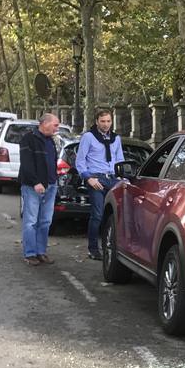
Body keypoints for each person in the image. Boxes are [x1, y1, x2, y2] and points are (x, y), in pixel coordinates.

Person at [75, 108, 126, 260]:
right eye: (102, 121)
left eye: (108, 121)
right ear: (97, 121)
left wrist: (122, 178)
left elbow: (119, 160)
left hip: (112, 179)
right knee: (97, 214)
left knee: (116, 215)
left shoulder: (116, 139)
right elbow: (80, 161)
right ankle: (93, 249)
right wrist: (88, 178)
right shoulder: (89, 137)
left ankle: (113, 248)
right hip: (96, 178)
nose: (106, 124)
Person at [18, 112, 61, 267]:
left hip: (50, 185)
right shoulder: (28, 139)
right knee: (31, 221)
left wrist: (54, 180)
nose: (57, 128)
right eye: (55, 125)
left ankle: (41, 251)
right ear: (45, 123)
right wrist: (36, 182)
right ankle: (30, 253)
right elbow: (27, 163)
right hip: (33, 186)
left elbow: (52, 162)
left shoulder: (51, 141)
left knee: (45, 221)